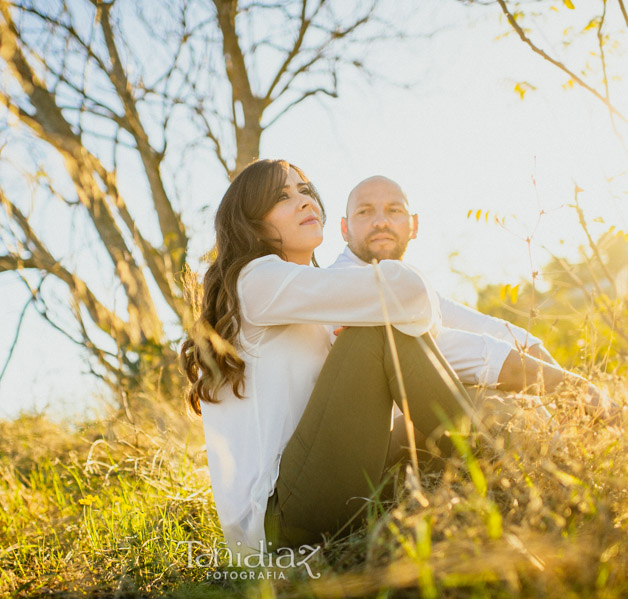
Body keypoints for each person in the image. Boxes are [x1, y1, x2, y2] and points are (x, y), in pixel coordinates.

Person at [180, 160, 475, 555]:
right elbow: (408, 295)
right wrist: (370, 328)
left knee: (444, 407)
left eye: (305, 190)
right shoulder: (258, 279)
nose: (304, 201)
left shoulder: (302, 303)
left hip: (312, 491)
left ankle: (484, 446)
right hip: (278, 521)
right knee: (376, 328)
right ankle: (485, 459)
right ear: (250, 222)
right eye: (283, 197)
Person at [334, 175, 610, 408]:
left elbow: (493, 330)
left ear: (414, 225)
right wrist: (579, 390)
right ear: (345, 229)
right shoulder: (340, 285)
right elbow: (450, 349)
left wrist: (568, 387)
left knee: (509, 402)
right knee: (491, 405)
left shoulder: (412, 287)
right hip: (375, 446)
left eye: (394, 210)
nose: (380, 222)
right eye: (364, 211)